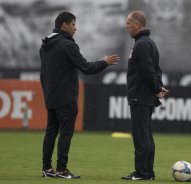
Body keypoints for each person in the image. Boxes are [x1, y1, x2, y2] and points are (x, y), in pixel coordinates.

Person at [39, 12, 119, 179]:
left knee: (51, 131)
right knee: (66, 133)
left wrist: (47, 92)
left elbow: (43, 74)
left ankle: (46, 168)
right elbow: (87, 68)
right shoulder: (67, 45)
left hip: (51, 95)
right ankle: (61, 170)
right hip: (66, 97)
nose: (76, 28)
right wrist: (105, 62)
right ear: (64, 25)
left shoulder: (45, 45)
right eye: (73, 24)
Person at [121, 10, 169, 180]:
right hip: (144, 96)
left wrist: (157, 88)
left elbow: (149, 71)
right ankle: (146, 172)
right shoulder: (149, 43)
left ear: (137, 25)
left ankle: (143, 173)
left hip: (140, 96)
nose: (126, 26)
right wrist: (158, 87)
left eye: (128, 23)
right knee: (145, 135)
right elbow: (156, 69)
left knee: (141, 136)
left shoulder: (141, 44)